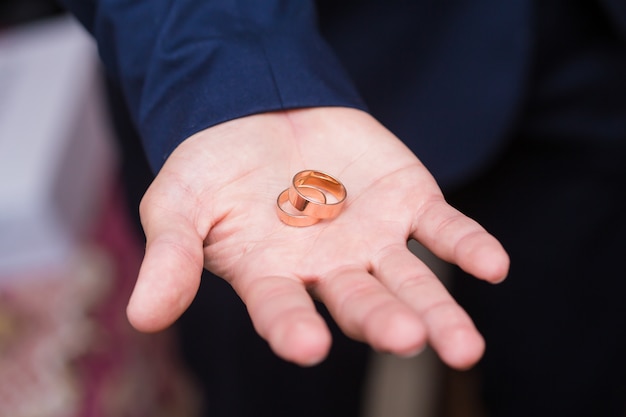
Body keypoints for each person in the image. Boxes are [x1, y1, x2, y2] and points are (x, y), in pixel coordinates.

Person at [59, 1, 626, 416]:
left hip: (580, 57)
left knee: (570, 370)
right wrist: (238, 75)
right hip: (260, 77)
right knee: (273, 385)